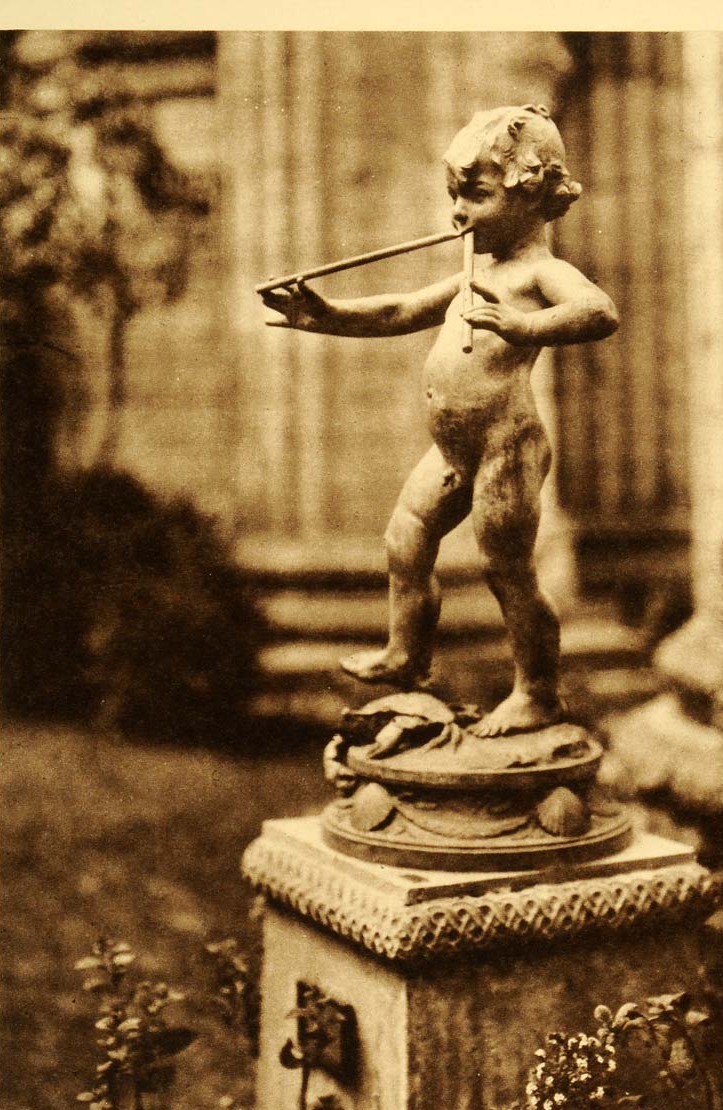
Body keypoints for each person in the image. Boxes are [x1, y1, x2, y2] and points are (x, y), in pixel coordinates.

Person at [262, 105, 618, 736]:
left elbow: (599, 312)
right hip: (454, 450)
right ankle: (407, 654)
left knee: (506, 571)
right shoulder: (475, 273)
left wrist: (523, 324)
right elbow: (400, 309)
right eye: (455, 195)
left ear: (530, 197)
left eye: (476, 196)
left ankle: (537, 691)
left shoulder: (542, 273)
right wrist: (325, 315)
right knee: (404, 539)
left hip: (506, 446)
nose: (458, 213)